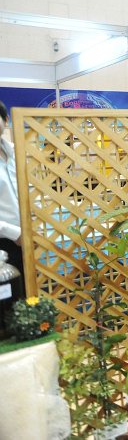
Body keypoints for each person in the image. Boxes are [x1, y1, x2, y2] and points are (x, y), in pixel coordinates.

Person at [0, 101, 21, 338]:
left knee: (29, 293)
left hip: (29, 237)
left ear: (6, 121)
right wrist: (14, 233)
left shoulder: (17, 152)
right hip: (4, 242)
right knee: (7, 301)